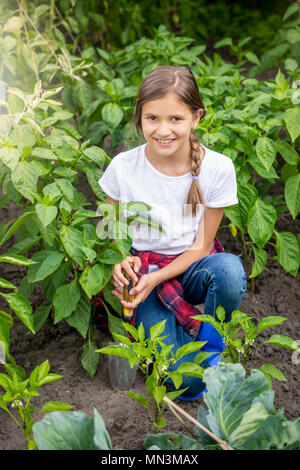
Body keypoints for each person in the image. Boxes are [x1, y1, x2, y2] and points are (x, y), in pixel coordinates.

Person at [98, 65, 247, 398]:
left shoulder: (217, 168)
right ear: (139, 118)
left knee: (228, 270)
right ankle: (181, 347)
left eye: (175, 119)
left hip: (193, 266)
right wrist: (118, 262)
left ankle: (211, 342)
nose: (163, 130)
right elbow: (109, 231)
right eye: (152, 118)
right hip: (145, 274)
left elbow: (201, 246)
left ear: (196, 117)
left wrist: (159, 276)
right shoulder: (123, 167)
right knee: (185, 383)